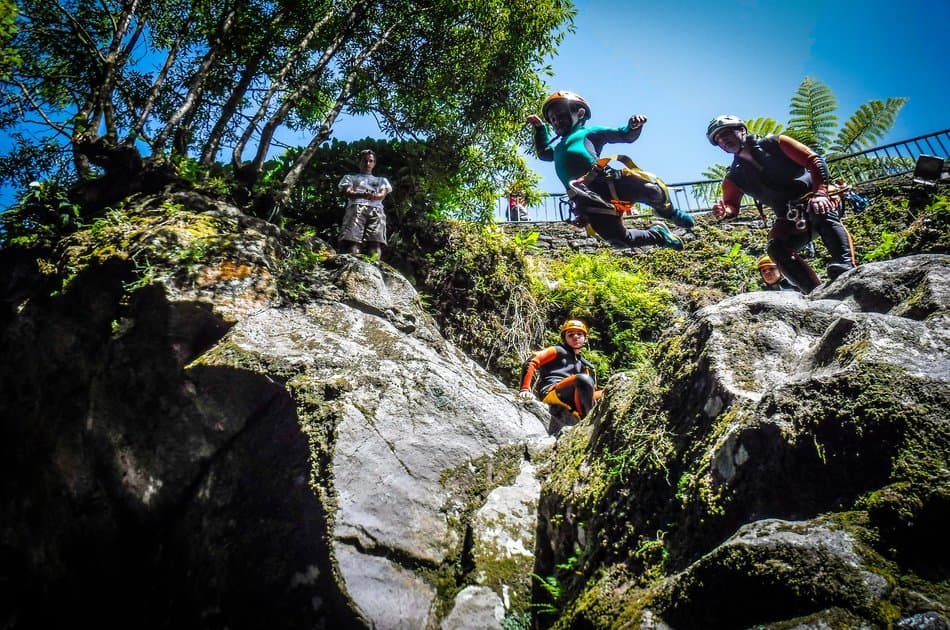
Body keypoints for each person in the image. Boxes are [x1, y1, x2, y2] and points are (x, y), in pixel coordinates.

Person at [707, 115, 856, 293]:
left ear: (742, 130)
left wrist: (821, 193)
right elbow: (731, 205)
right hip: (789, 217)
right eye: (718, 139)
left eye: (726, 133)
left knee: (818, 209)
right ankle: (813, 290)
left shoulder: (776, 143)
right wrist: (725, 212)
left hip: (817, 199)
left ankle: (845, 266)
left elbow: (814, 160)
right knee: (775, 246)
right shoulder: (734, 177)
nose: (723, 139)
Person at [527, 91, 690, 250]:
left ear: (580, 113)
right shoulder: (557, 150)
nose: (556, 121)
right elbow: (543, 153)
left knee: (653, 191)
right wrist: (540, 129)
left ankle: (671, 213)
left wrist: (633, 126)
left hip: (607, 183)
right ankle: (659, 236)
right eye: (553, 119)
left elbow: (624, 135)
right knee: (618, 240)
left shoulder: (590, 133)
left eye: (561, 116)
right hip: (587, 200)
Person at [518, 319, 603, 420]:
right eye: (571, 335)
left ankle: (587, 418)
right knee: (584, 379)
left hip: (574, 398)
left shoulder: (583, 363)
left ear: (585, 338)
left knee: (608, 391)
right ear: (564, 338)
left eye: (579, 334)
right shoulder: (557, 350)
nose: (575, 337)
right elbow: (531, 361)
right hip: (552, 392)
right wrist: (525, 389)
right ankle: (586, 421)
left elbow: (589, 390)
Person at [338, 149, 393, 258]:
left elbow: (382, 194)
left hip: (376, 210)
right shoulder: (350, 178)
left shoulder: (382, 180)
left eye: (370, 161)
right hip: (356, 208)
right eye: (365, 161)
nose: (368, 164)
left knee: (375, 241)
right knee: (353, 240)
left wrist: (373, 196)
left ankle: (374, 266)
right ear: (359, 162)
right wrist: (363, 194)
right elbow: (348, 192)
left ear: (374, 163)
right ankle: (352, 266)